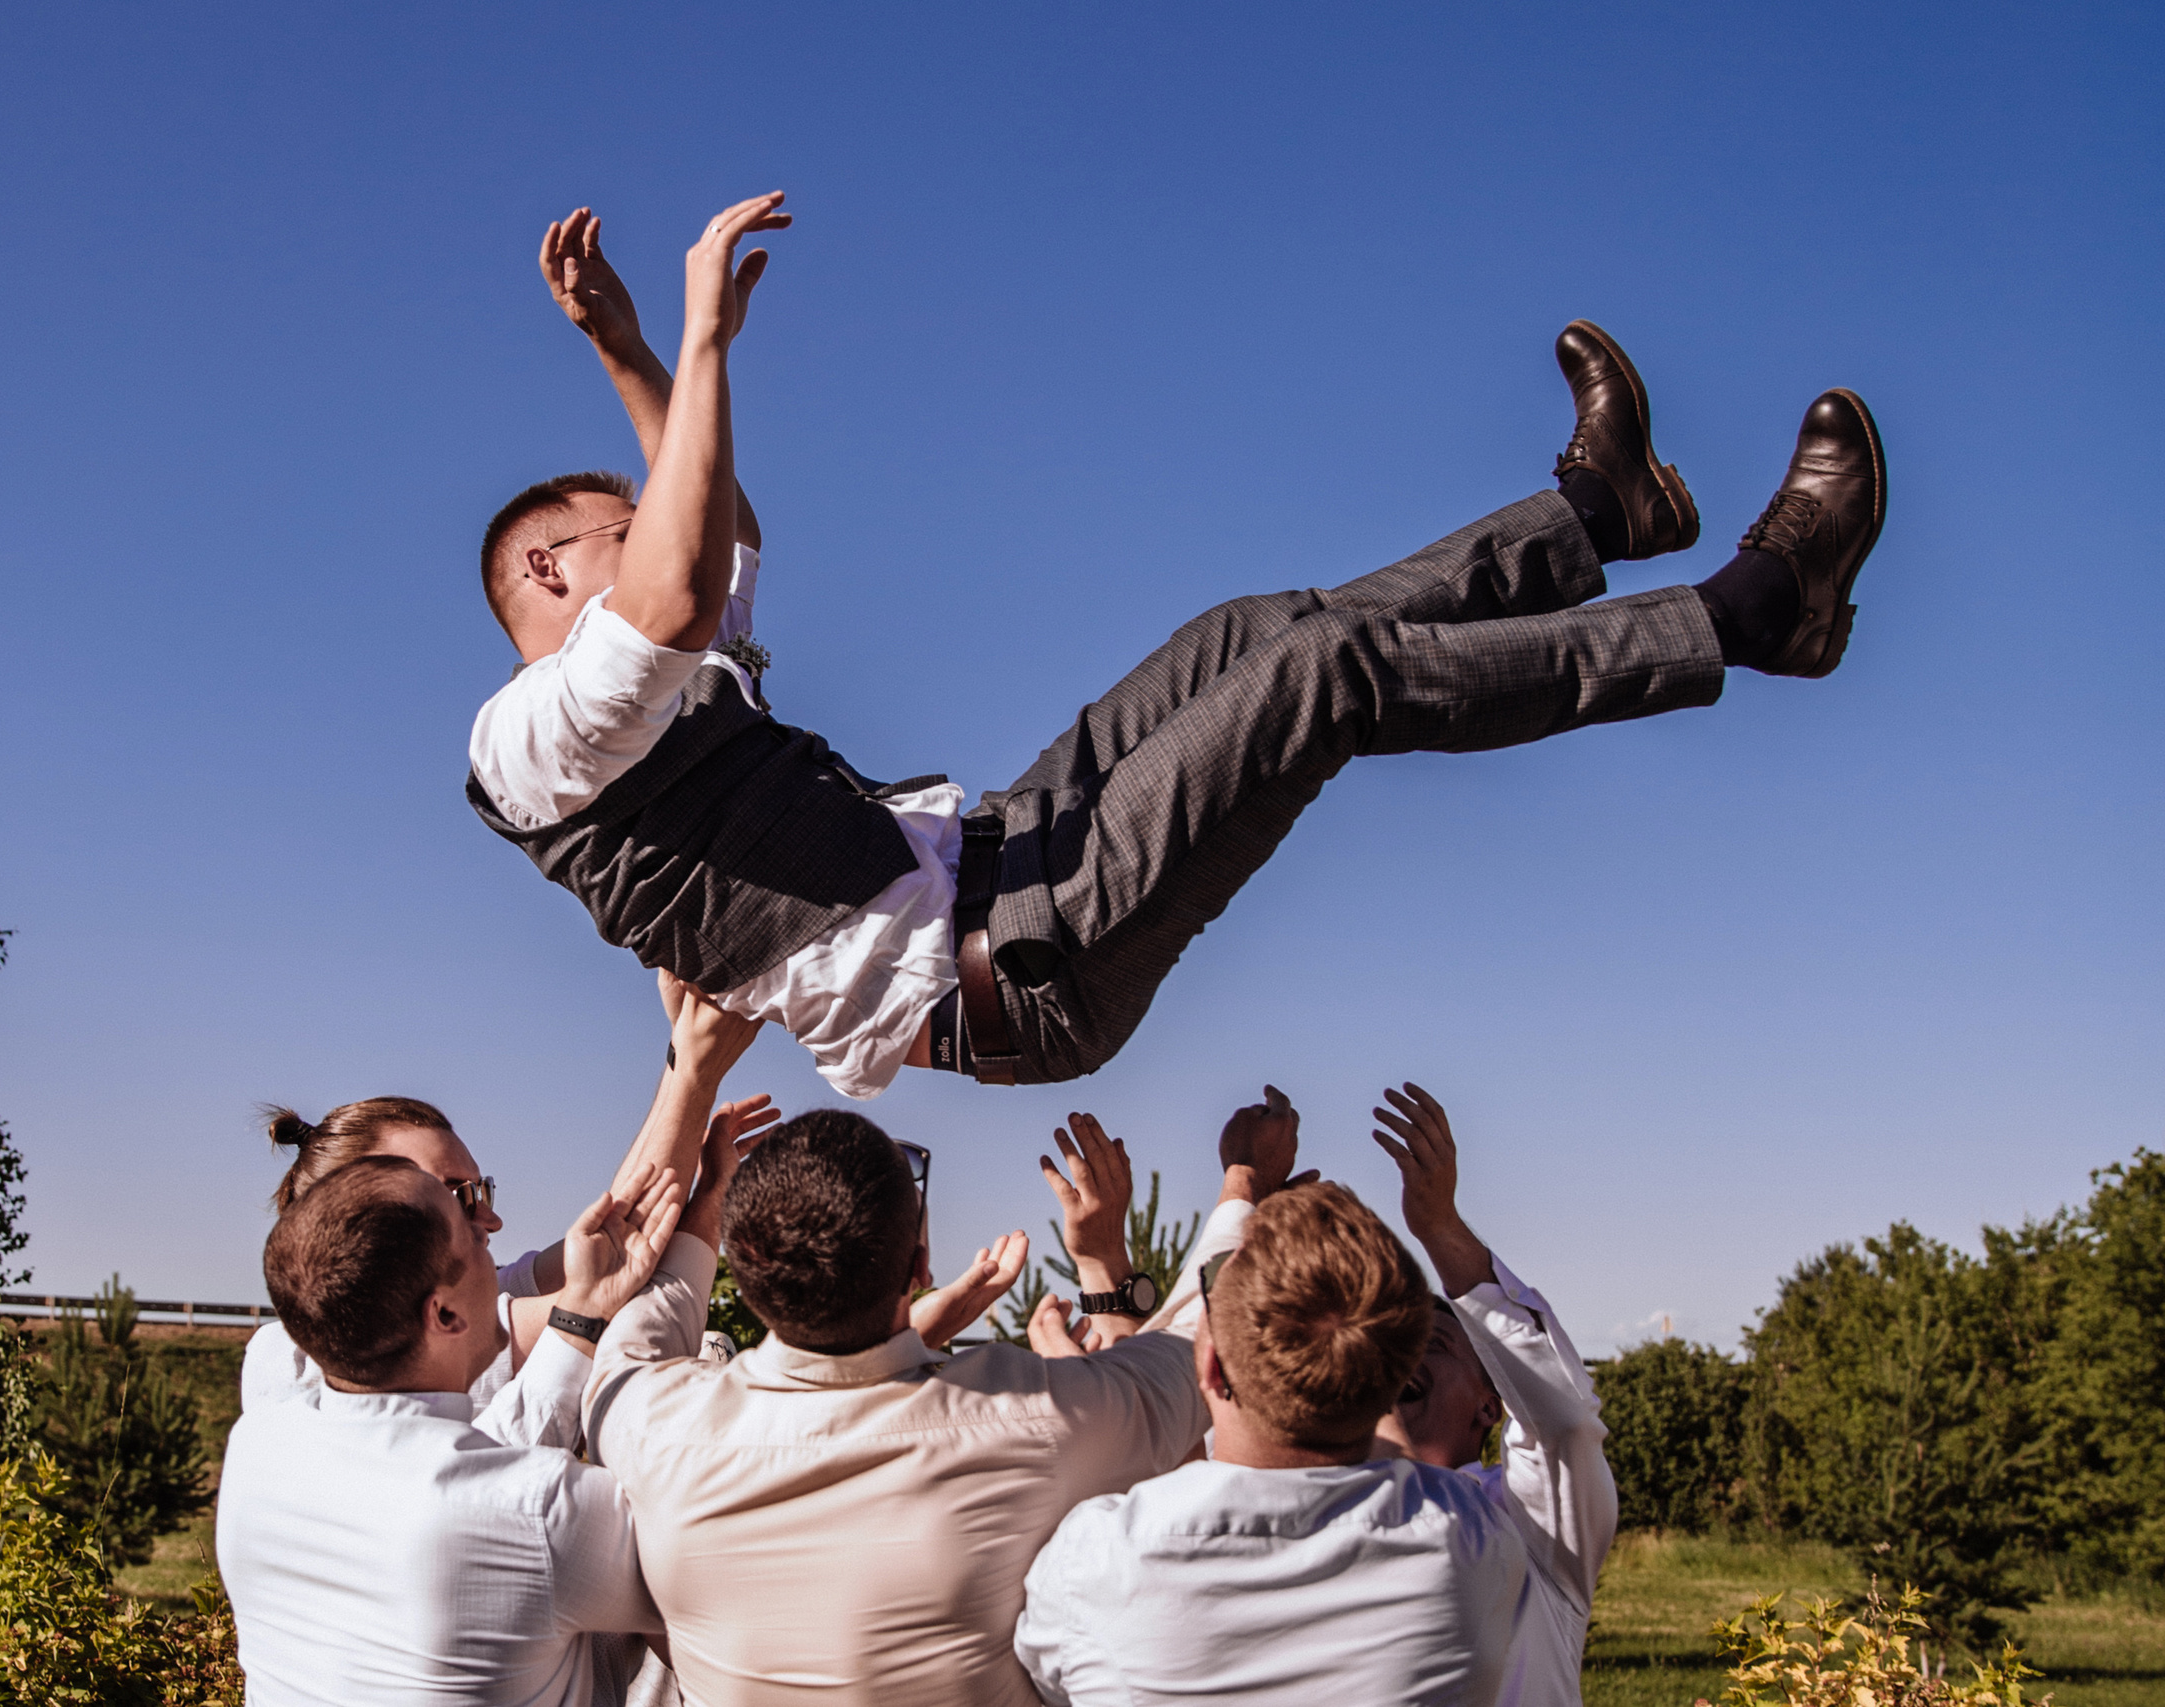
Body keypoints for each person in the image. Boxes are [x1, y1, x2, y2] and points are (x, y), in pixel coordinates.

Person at [467, 194, 1890, 1097]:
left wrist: (629, 350)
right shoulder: (527, 737)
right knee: (1319, 681)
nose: (656, 519)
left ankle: (1595, 514)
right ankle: (1750, 616)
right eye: (621, 517)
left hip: (1005, 854)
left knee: (1252, 633)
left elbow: (709, 547)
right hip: (1016, 965)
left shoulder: (662, 687)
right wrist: (707, 345)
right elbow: (677, 584)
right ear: (548, 568)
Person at [581, 1107, 1209, 1706]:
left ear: (742, 1276)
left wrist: (712, 1194)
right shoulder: (1028, 1418)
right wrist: (1239, 1191)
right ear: (920, 1266)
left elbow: (645, 1322)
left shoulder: (651, 1425)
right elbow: (1194, 1353)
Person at [1014, 1090, 1528, 1706]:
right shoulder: (1470, 1542)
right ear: (1389, 1380)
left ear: (1208, 1367)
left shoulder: (1097, 1558)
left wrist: (1241, 1186)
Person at [219, 1146, 689, 1706]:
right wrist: (703, 1217)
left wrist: (582, 1312)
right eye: (474, 1240)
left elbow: (476, 1471)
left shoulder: (260, 1444)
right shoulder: (536, 1511)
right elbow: (711, 1585)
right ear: (444, 1314)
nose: (492, 1235)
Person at [238, 974, 771, 1445]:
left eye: (482, 1190)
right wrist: (693, 1078)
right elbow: (619, 1283)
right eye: (454, 1195)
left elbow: (615, 1231)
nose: (490, 1219)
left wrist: (684, 1060)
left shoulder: (457, 1296)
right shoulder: (291, 1359)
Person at [1370, 1083, 1618, 1707]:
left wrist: (1440, 1228)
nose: (1402, 1355)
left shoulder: (1526, 1525)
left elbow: (1561, 1421)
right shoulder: (1315, 1508)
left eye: (1432, 1342)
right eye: (1392, 1343)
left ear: (1489, 1404)